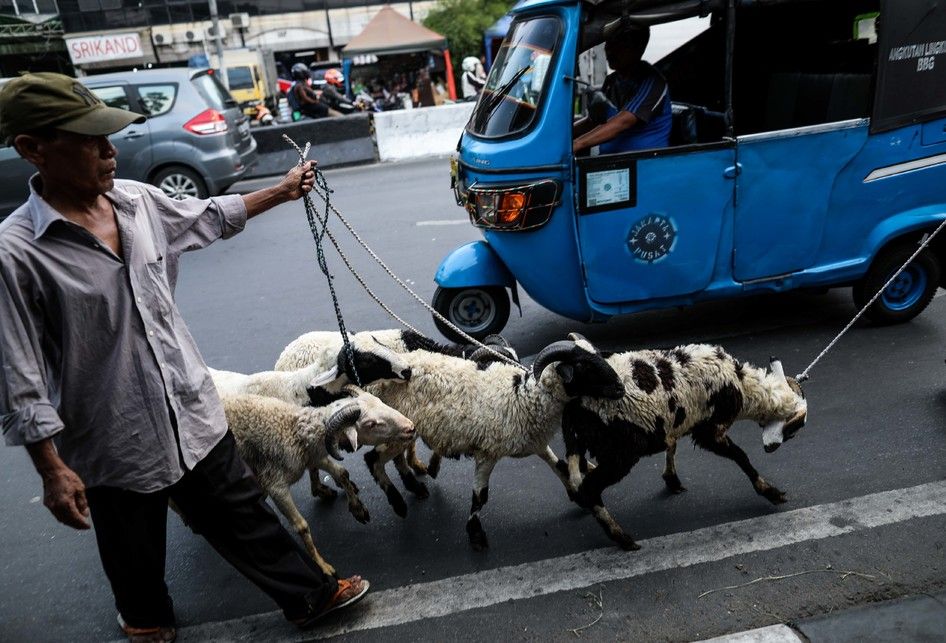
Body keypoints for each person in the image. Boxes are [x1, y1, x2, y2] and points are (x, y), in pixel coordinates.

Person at [0, 72, 369, 642]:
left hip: (191, 408)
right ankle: (146, 621)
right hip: (112, 435)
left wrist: (284, 188)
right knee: (132, 546)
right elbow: (19, 373)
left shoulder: (138, 203)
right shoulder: (17, 252)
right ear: (33, 148)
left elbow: (211, 218)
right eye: (90, 140)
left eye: (110, 136)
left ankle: (311, 597)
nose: (109, 150)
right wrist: (51, 468)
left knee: (245, 513)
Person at [573, 24, 672, 154]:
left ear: (638, 46)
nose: (608, 49)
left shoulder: (652, 81)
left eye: (618, 43)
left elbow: (623, 122)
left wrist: (577, 144)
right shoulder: (612, 81)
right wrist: (562, 134)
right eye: (608, 43)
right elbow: (593, 121)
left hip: (643, 166)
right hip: (613, 165)